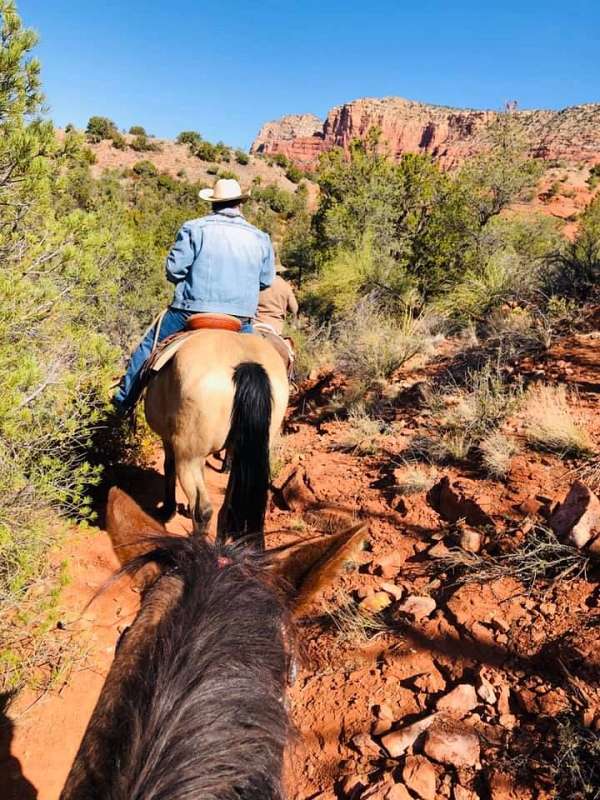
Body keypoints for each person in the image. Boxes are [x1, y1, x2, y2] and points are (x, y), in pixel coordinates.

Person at [113, 178, 275, 412]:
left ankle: (124, 401)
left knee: (149, 345)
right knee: (264, 360)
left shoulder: (194, 228)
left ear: (213, 203)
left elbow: (174, 270)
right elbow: (266, 280)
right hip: (241, 318)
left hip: (190, 309)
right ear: (240, 203)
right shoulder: (261, 237)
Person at [255, 262, 298, 335]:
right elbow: (294, 308)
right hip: (275, 327)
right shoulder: (285, 286)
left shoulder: (256, 282)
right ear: (280, 271)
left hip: (255, 323)